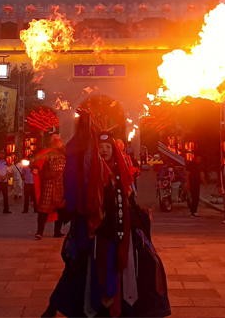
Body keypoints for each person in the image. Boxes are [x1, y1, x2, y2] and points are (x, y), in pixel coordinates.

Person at [45, 113, 171, 317]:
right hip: (94, 229)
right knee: (78, 267)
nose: (104, 150)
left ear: (114, 150)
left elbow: (129, 198)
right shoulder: (91, 171)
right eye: (101, 147)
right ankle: (55, 306)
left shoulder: (121, 171)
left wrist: (140, 214)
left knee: (145, 261)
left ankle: (142, 308)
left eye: (108, 147)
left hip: (121, 227)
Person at [32, 134, 66, 239]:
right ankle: (39, 231)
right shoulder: (47, 153)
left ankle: (57, 231)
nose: (57, 143)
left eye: (58, 142)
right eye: (55, 142)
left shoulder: (65, 153)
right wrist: (36, 168)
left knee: (60, 209)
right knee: (44, 208)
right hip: (49, 183)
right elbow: (38, 161)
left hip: (61, 184)